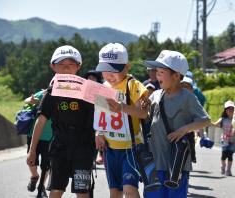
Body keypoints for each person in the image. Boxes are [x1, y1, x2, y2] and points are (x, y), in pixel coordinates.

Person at [27, 45, 96, 198]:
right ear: (53, 67)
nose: (66, 69)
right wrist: (32, 150)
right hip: (60, 146)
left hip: (83, 147)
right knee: (56, 189)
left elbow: (108, 112)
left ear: (78, 67)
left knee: (82, 191)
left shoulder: (89, 91)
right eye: (61, 65)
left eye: (71, 65)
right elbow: (41, 119)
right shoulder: (51, 92)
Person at [144, 50, 210, 198]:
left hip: (176, 165)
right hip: (155, 163)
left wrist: (184, 130)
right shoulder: (155, 95)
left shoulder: (188, 97)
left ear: (176, 75)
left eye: (161, 72)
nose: (157, 75)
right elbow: (147, 118)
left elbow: (206, 120)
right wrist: (142, 108)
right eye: (157, 71)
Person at [94, 43, 149, 198]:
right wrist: (99, 132)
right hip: (110, 149)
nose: (109, 75)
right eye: (105, 70)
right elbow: (101, 115)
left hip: (130, 148)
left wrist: (122, 107)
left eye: (114, 70)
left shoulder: (133, 85)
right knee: (114, 192)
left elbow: (144, 113)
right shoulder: (103, 87)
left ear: (127, 67)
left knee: (129, 189)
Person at [25, 90, 52, 198]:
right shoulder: (43, 93)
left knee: (46, 165)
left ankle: (41, 188)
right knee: (31, 161)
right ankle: (34, 176)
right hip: (33, 135)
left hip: (50, 136)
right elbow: (26, 100)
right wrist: (32, 101)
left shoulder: (62, 96)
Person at [84, 70, 104, 165]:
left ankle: (93, 159)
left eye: (93, 78)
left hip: (97, 122)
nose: (91, 79)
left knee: (94, 143)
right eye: (89, 78)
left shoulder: (102, 91)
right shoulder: (82, 90)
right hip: (84, 122)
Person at [210, 100, 235, 176]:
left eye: (232, 108)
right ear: (225, 110)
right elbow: (214, 124)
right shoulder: (223, 119)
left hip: (233, 141)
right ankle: (223, 166)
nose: (230, 110)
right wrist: (206, 122)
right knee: (224, 156)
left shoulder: (234, 119)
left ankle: (228, 170)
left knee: (230, 155)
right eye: (228, 108)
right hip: (224, 140)